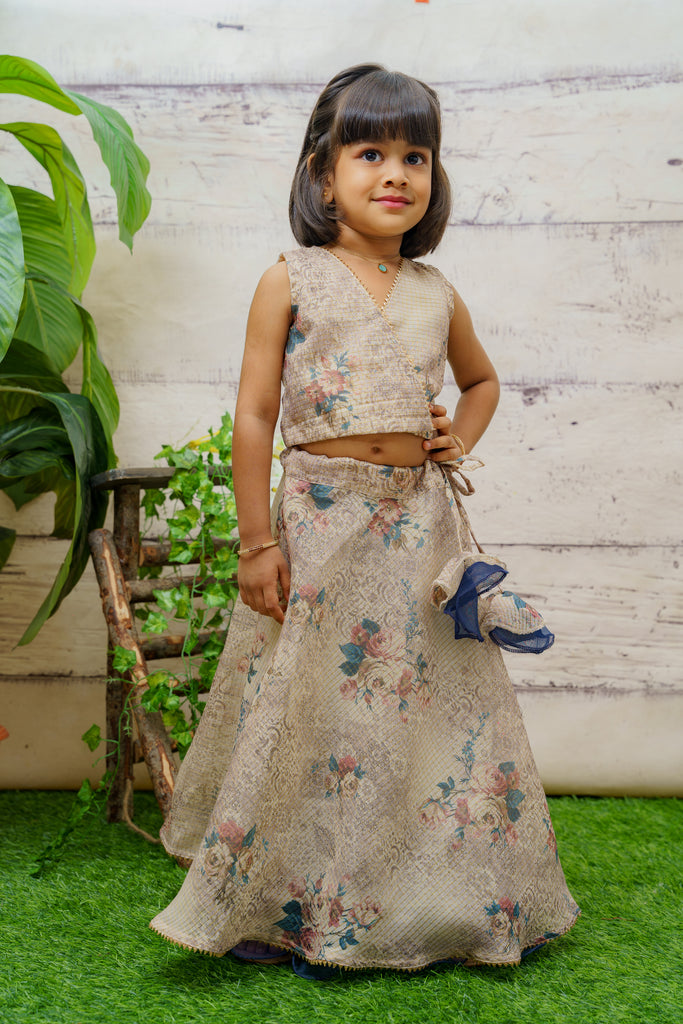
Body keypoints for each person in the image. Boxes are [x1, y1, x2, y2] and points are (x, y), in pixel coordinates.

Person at [150, 64, 579, 976]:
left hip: (416, 532)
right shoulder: (290, 279)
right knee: (318, 711)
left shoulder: (435, 291)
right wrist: (258, 542)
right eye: (371, 152)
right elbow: (258, 417)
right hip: (317, 527)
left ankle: (428, 894)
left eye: (414, 156)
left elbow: (482, 382)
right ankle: (297, 896)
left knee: (416, 715)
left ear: (433, 178)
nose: (395, 173)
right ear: (321, 174)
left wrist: (453, 439)